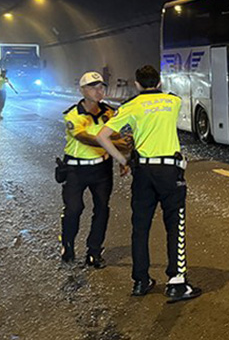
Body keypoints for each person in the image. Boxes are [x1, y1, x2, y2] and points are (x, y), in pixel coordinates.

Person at [96, 65, 202, 302]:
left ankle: (140, 281)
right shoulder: (172, 101)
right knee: (175, 224)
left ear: (137, 84)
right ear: (159, 82)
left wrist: (123, 159)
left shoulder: (130, 106)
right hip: (169, 171)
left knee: (140, 227)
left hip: (143, 172)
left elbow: (101, 136)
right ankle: (177, 282)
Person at [59, 71, 129, 268]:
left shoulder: (109, 112)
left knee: (102, 208)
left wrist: (121, 159)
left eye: (101, 87)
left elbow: (120, 135)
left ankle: (94, 251)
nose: (98, 91)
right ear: (82, 90)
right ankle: (67, 244)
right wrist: (113, 142)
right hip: (75, 169)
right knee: (74, 209)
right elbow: (85, 138)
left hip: (102, 169)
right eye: (92, 88)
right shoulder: (73, 114)